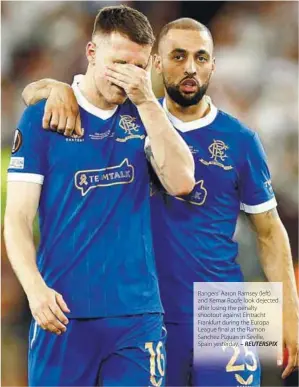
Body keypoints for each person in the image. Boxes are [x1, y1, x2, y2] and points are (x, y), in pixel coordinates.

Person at [21, 16, 299, 387]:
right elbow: (83, 100)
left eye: (201, 58)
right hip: (149, 308)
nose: (189, 68)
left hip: (225, 309)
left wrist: (289, 314)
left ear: (214, 65)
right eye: (178, 56)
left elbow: (269, 231)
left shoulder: (241, 138)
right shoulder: (130, 121)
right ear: (155, 63)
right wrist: (55, 89)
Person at [4, 6, 196, 387]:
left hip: (136, 315)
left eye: (138, 67)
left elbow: (182, 182)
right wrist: (34, 289)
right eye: (119, 62)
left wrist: (146, 102)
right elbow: (17, 218)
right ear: (91, 54)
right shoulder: (45, 117)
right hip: (62, 313)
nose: (128, 76)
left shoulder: (148, 117)